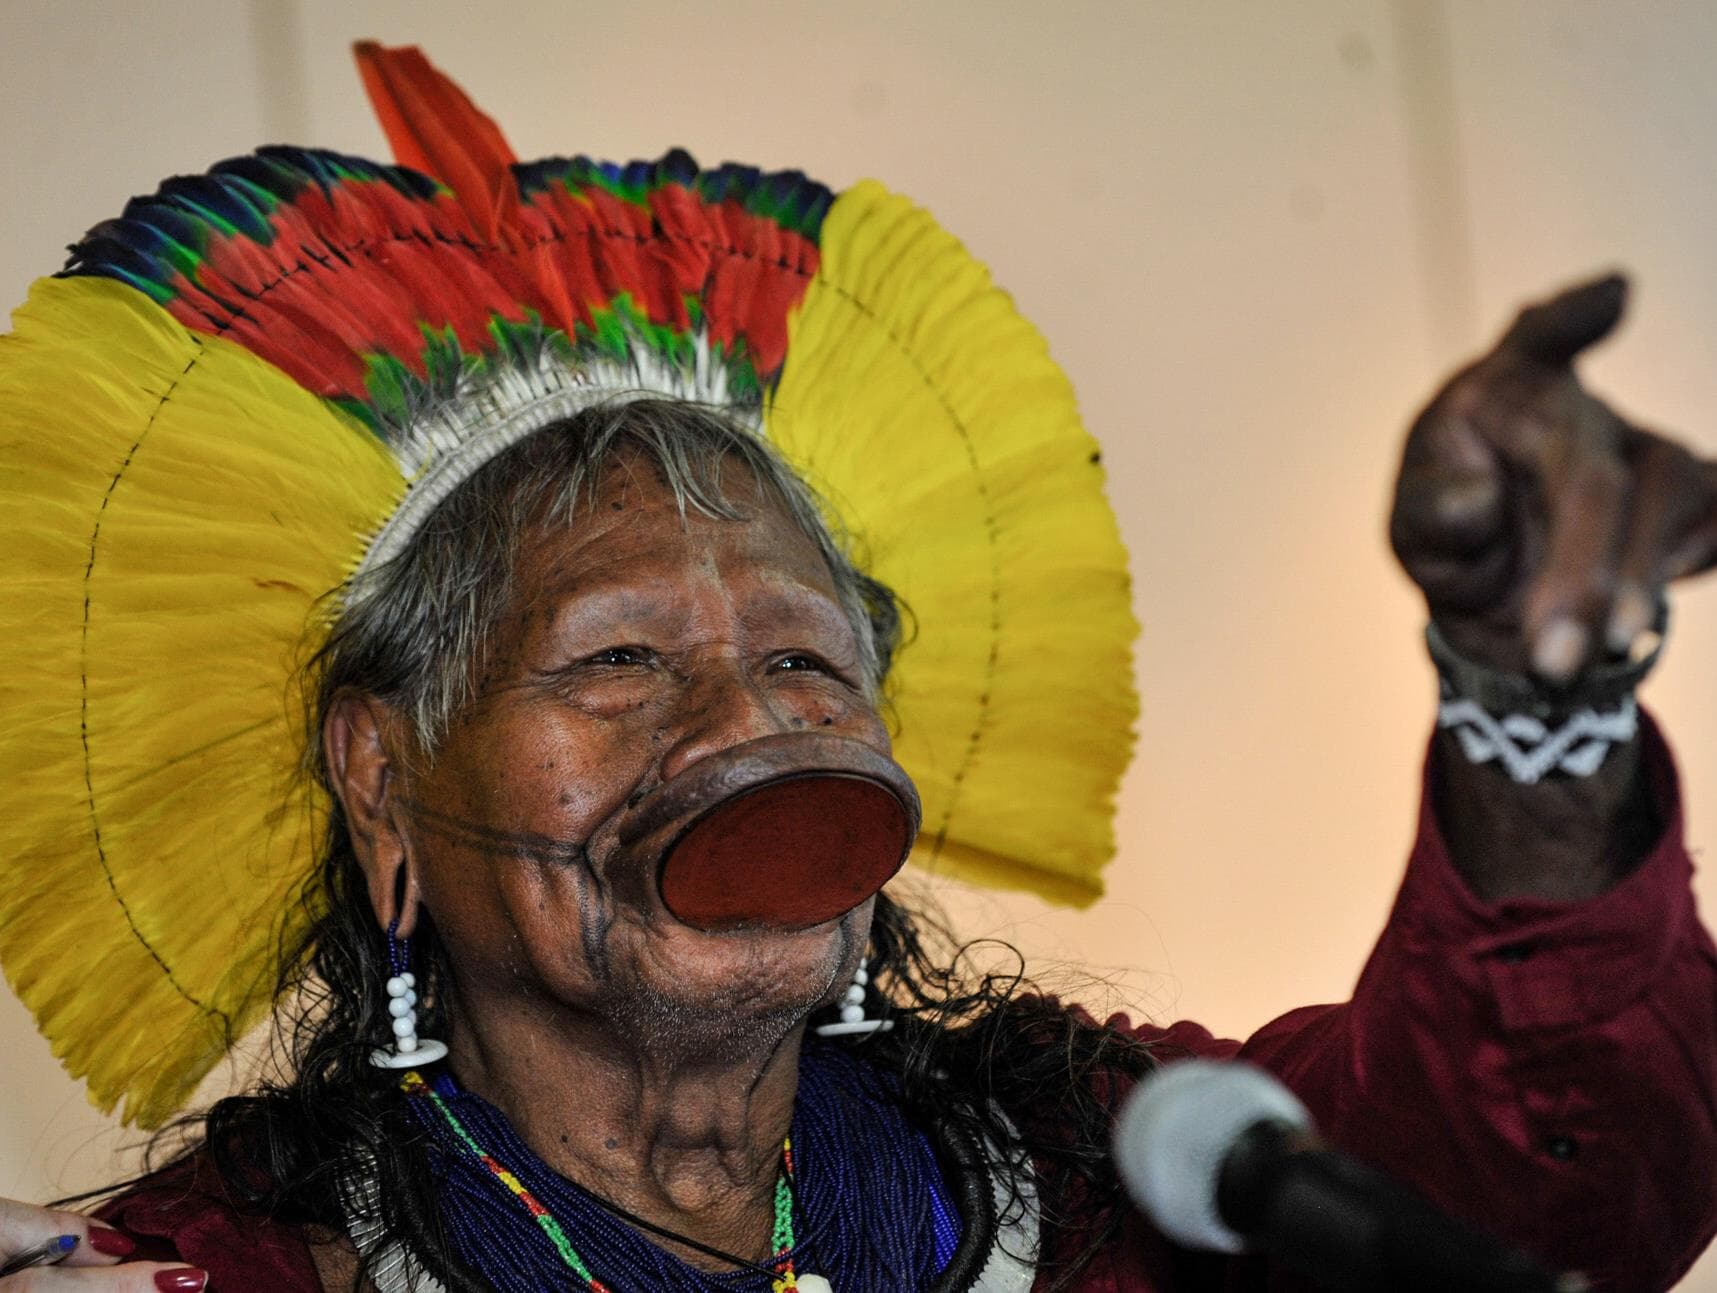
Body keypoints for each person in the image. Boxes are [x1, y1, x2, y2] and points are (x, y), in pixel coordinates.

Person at [0, 43, 1712, 1293]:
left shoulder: (1118, 1170)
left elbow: (1539, 1181)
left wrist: (1528, 697)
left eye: (810, 663)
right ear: (381, 774)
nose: (752, 722)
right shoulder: (210, 1273)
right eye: (617, 658)